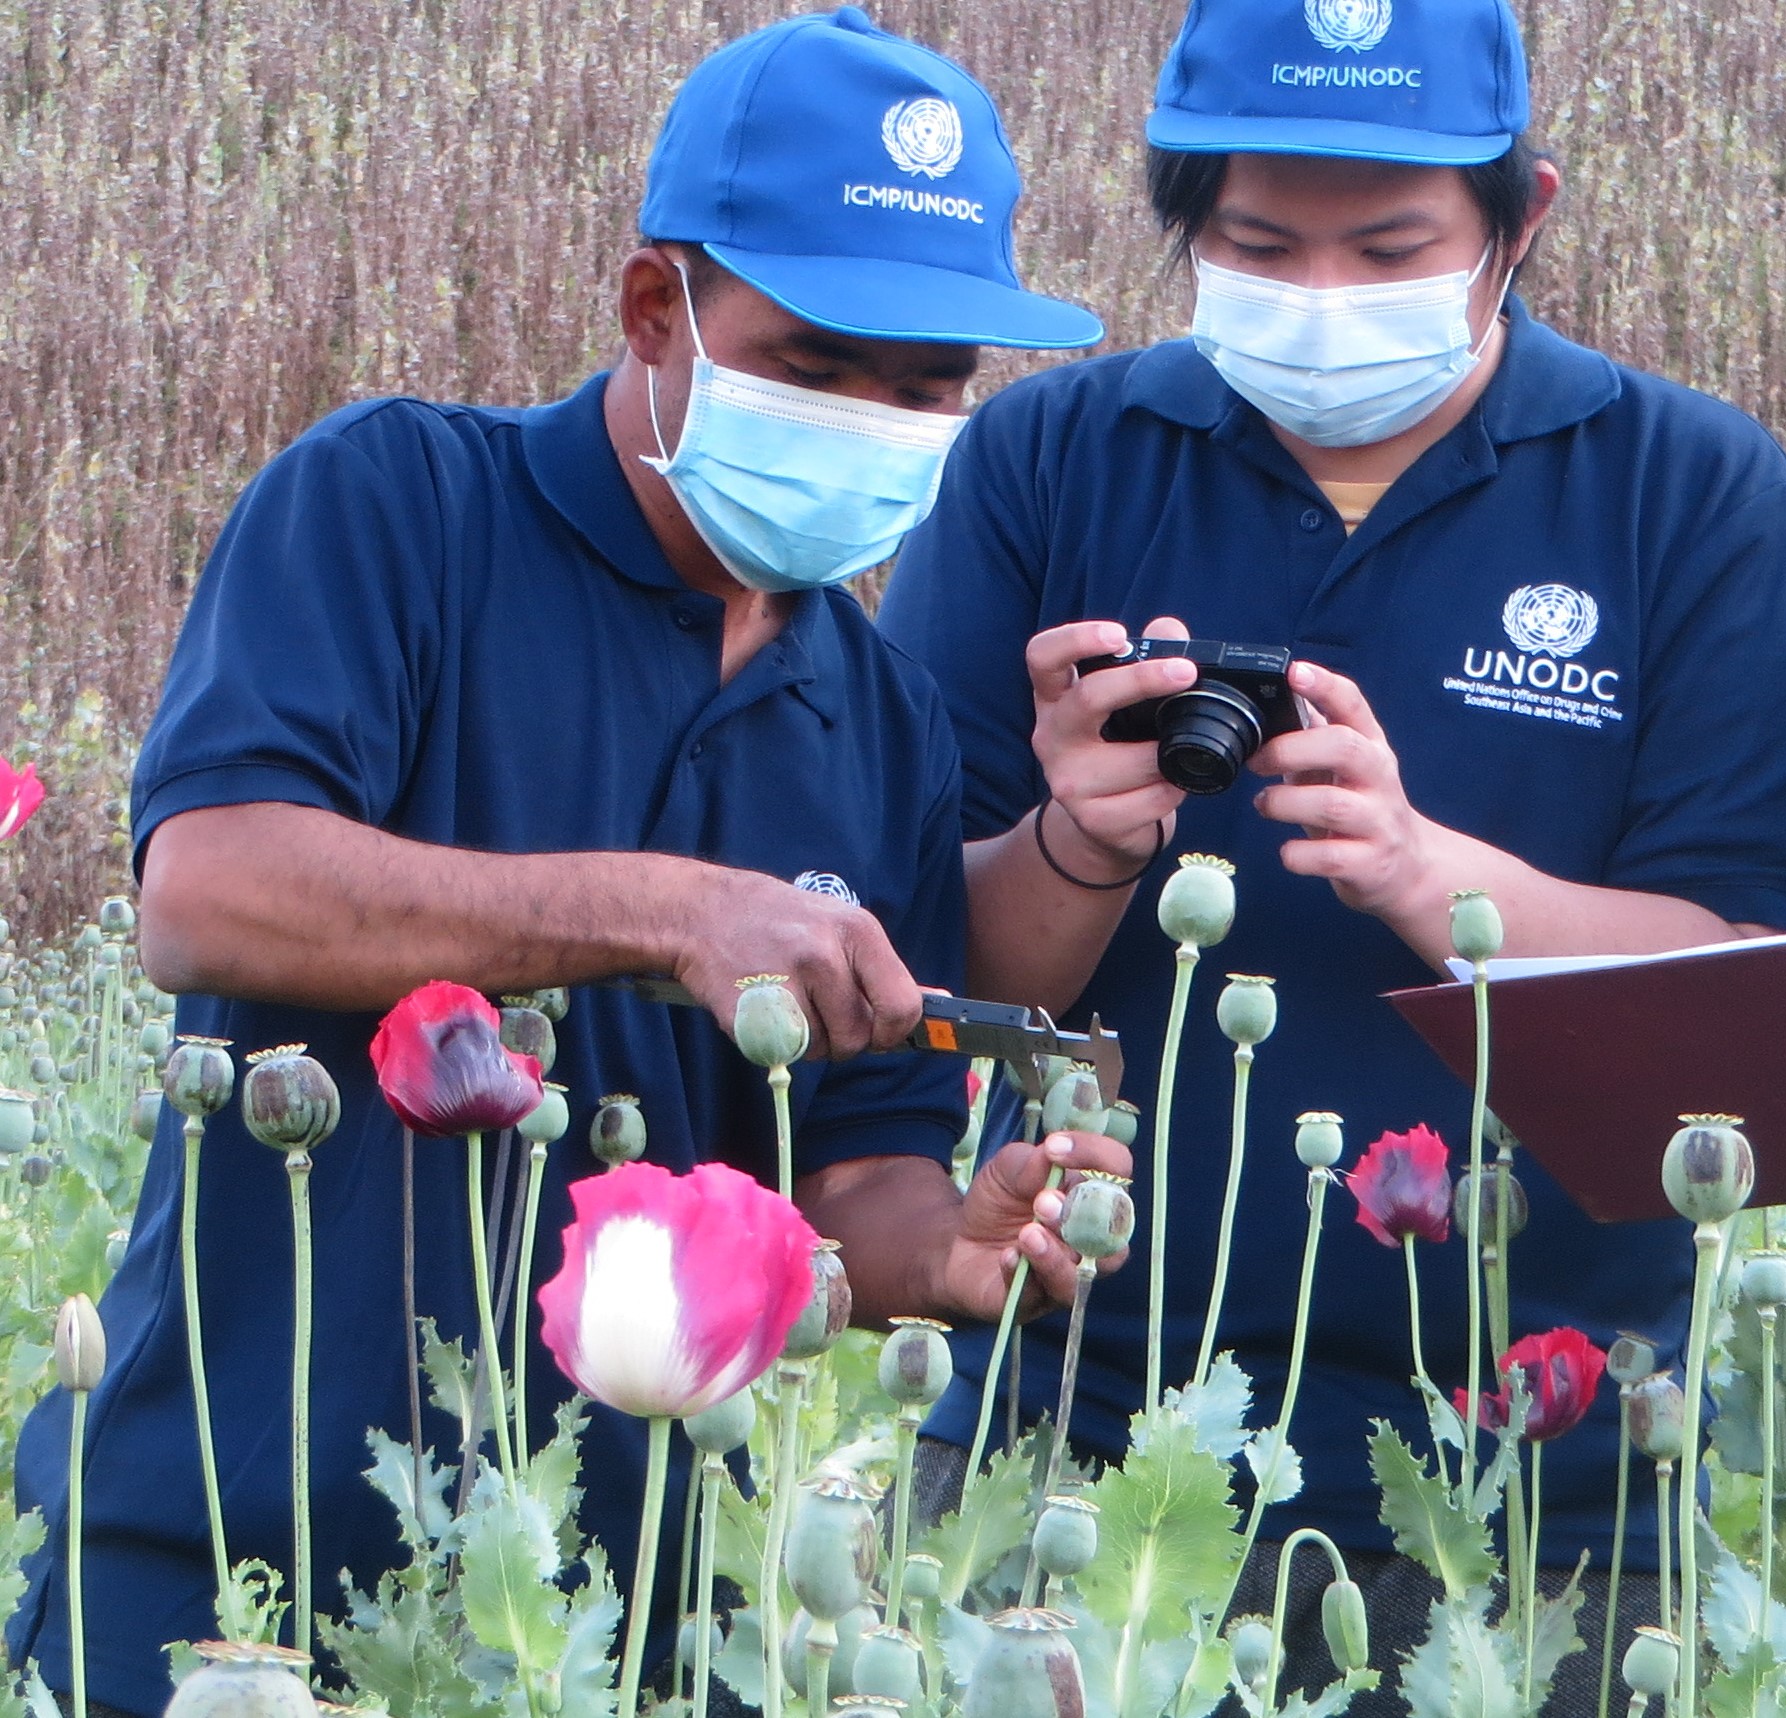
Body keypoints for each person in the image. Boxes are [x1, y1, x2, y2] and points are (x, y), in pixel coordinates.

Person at [6, 11, 1126, 1714]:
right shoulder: (394, 507)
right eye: (818, 364)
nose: (876, 420)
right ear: (652, 308)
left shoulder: (884, 718)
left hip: (629, 1623)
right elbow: (208, 888)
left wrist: (950, 1252)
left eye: (927, 387)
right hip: (234, 1576)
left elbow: (856, 1174)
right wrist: (660, 911)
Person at [875, 0, 1786, 1700]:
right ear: (1184, 225)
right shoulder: (1045, 462)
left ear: (1519, 219)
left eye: (1390, 247)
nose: (1322, 297)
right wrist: (1077, 840)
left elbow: (1754, 1006)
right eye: (1261, 247)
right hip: (1080, 1441)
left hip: (1548, 1488)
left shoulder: (1692, 495)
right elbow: (930, 975)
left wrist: (1434, 883)